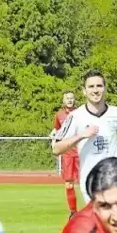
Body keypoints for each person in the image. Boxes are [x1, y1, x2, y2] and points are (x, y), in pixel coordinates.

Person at [52, 69, 117, 203]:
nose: (95, 90)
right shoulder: (75, 116)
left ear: (105, 88)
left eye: (99, 86)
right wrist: (81, 135)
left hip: (115, 178)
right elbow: (56, 149)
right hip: (91, 181)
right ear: (84, 91)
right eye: (91, 86)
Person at [51, 90, 80, 218]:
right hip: (67, 154)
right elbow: (57, 130)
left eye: (71, 98)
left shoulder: (81, 113)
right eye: (67, 98)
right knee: (69, 184)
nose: (69, 100)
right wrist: (54, 142)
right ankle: (73, 212)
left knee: (87, 181)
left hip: (81, 152)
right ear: (63, 101)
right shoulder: (59, 115)